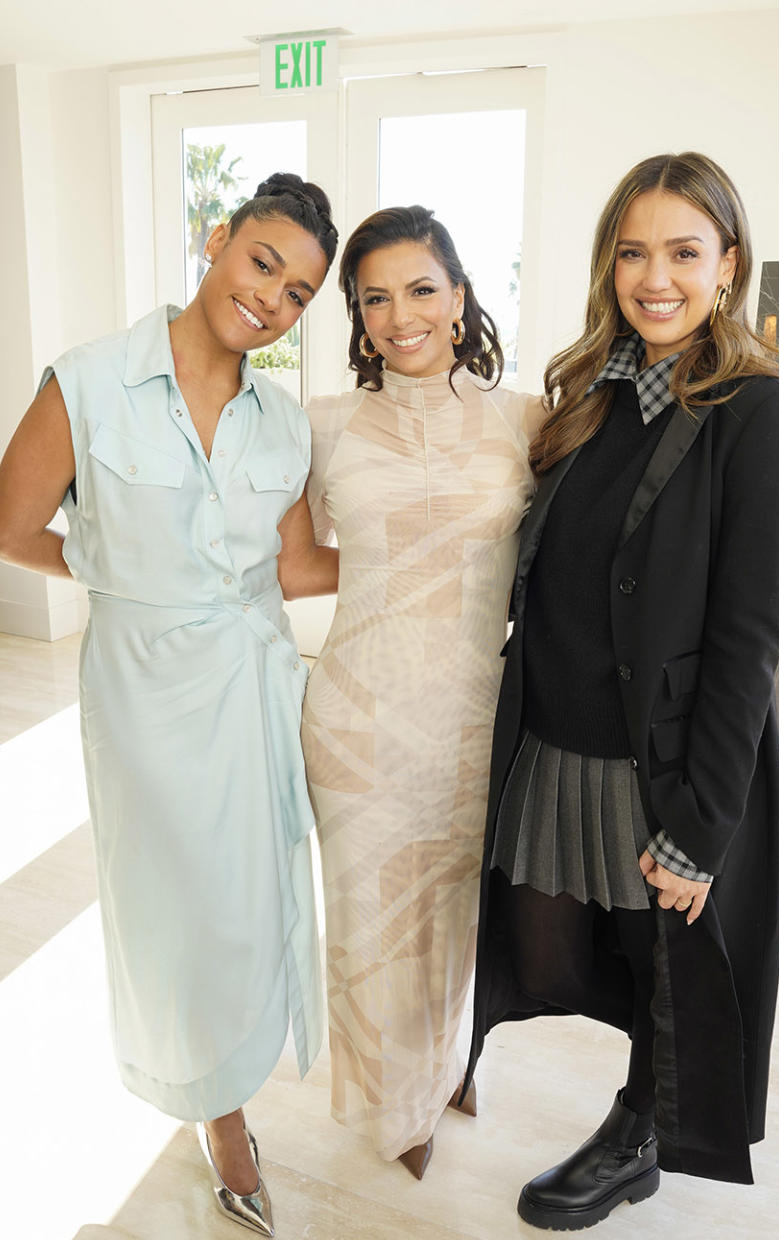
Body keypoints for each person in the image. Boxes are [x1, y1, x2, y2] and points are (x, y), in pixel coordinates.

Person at [463, 151, 779, 1229]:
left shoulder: (763, 412)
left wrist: (705, 826)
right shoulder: (590, 397)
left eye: (681, 251)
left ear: (728, 265)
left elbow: (752, 634)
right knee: (563, 946)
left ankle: (641, 1126)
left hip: (663, 763)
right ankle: (632, 1101)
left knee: (667, 967)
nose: (653, 277)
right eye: (632, 252)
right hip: (559, 744)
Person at [0, 173, 339, 1238]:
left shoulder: (282, 424)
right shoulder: (87, 382)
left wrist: (423, 543)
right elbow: (8, 529)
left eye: (299, 294)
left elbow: (293, 567)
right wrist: (116, 567)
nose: (271, 299)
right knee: (171, 902)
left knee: (245, 893)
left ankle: (233, 1074)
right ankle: (217, 1114)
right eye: (263, 262)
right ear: (219, 241)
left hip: (250, 682)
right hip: (143, 693)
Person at [301, 205, 543, 1179]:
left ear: (461, 296)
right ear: (357, 319)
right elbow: (291, 567)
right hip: (357, 718)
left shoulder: (528, 420)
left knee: (457, 914)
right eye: (374, 297)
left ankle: (451, 1061)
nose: (399, 314)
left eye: (420, 288)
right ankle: (401, 1107)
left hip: (474, 718)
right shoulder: (318, 427)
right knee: (370, 922)